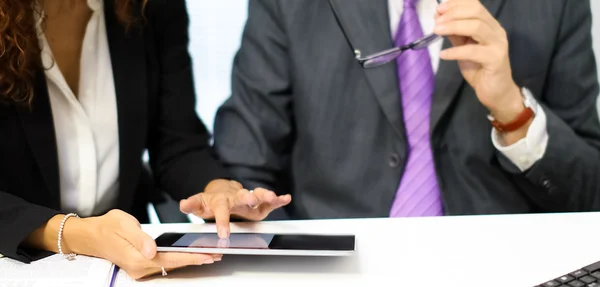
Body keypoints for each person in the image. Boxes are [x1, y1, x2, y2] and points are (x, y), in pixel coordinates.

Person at [213, 0, 600, 220]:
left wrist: (513, 111)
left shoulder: (554, 5)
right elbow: (242, 169)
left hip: (502, 280)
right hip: (333, 282)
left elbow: (588, 194)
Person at [0, 0, 291, 279]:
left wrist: (218, 190)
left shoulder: (150, 6)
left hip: (127, 260)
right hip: (17, 260)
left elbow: (176, 143)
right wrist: (76, 234)